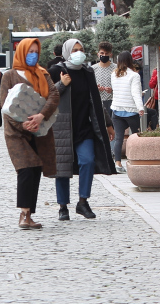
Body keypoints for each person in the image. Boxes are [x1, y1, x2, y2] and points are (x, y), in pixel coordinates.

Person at [48, 39, 116, 221]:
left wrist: (108, 123)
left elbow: (95, 100)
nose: (79, 52)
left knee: (87, 161)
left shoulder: (87, 72)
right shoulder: (56, 71)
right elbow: (46, 97)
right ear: (67, 52)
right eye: (75, 50)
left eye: (82, 49)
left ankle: (83, 201)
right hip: (62, 128)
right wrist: (61, 84)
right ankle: (63, 206)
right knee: (62, 168)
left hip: (84, 127)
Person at [0, 37, 59, 230]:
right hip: (16, 133)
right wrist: (22, 124)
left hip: (39, 132)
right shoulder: (9, 75)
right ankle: (24, 214)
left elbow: (54, 95)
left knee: (36, 169)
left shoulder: (43, 74)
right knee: (26, 168)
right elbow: (5, 106)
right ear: (22, 52)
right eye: (30, 51)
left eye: (36, 52)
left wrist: (41, 116)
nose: (33, 55)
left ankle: (29, 214)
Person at [110, 51, 144, 173]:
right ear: (130, 60)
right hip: (131, 110)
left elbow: (115, 90)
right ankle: (136, 160)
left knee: (118, 138)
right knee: (135, 136)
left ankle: (118, 164)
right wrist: (140, 107)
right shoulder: (134, 76)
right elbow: (136, 93)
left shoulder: (114, 74)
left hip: (117, 109)